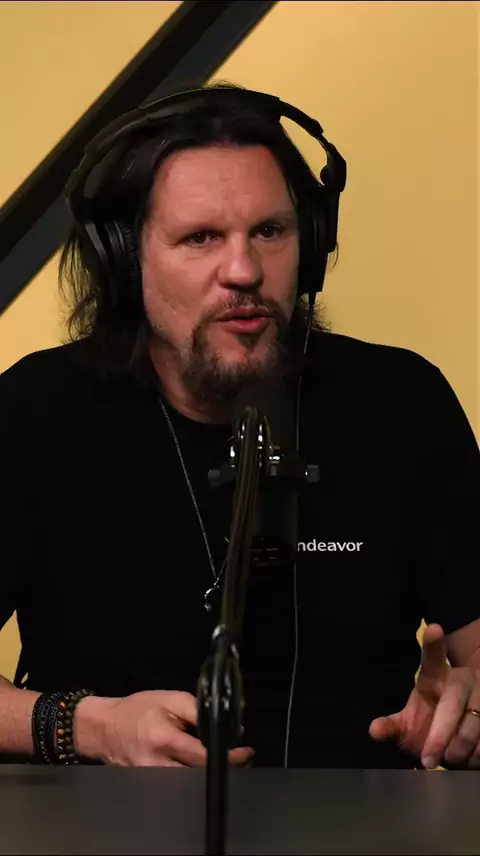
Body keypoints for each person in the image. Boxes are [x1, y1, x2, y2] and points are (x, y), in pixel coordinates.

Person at [1, 82, 479, 771]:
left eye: (270, 232)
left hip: (362, 818)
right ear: (125, 259)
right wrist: (87, 726)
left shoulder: (403, 402)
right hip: (108, 820)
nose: (245, 271)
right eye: (201, 238)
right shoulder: (35, 410)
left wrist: (469, 709)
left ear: (310, 244)